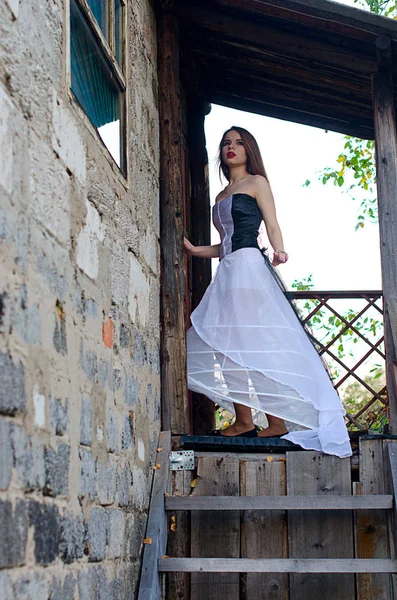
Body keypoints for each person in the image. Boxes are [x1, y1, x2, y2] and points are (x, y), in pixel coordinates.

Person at [184, 126, 352, 458]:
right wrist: (194, 249)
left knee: (250, 344)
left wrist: (280, 250)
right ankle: (244, 418)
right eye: (226, 143)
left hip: (248, 268)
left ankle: (275, 422)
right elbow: (226, 244)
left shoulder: (257, 183)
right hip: (229, 270)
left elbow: (271, 225)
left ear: (249, 150)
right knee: (226, 347)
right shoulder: (220, 197)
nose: (231, 147)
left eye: (239, 143)